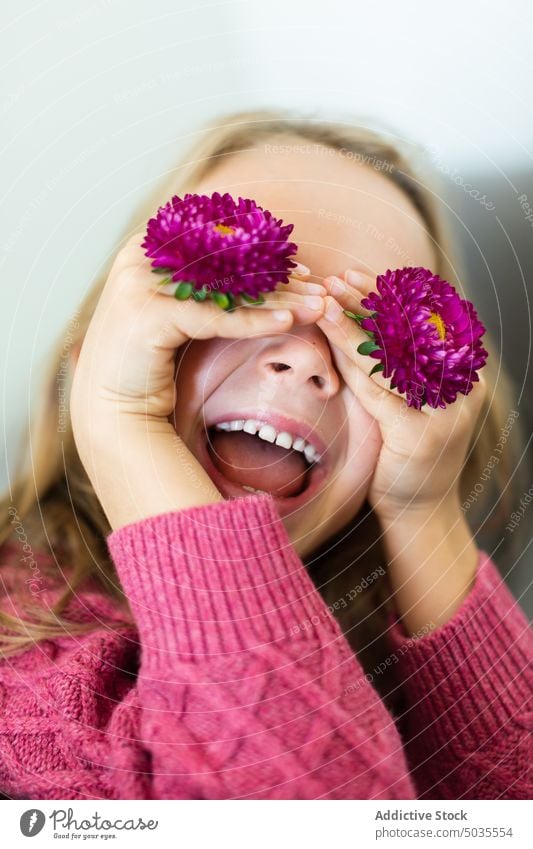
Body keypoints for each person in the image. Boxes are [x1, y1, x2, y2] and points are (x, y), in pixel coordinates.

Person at [0, 109, 531, 800]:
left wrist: (423, 511)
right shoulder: (23, 651)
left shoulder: (393, 629)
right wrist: (120, 423)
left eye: (372, 336)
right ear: (96, 351)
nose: (307, 357)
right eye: (234, 288)